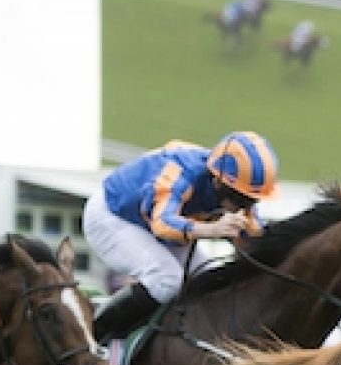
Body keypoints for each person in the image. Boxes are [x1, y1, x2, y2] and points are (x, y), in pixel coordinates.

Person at [84, 133, 278, 342]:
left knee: (210, 281)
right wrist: (212, 230)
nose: (243, 207)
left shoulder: (234, 191)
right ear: (218, 181)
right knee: (167, 280)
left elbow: (257, 240)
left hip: (159, 227)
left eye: (250, 201)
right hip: (112, 217)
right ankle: (97, 334)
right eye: (239, 198)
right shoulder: (181, 172)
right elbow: (162, 224)